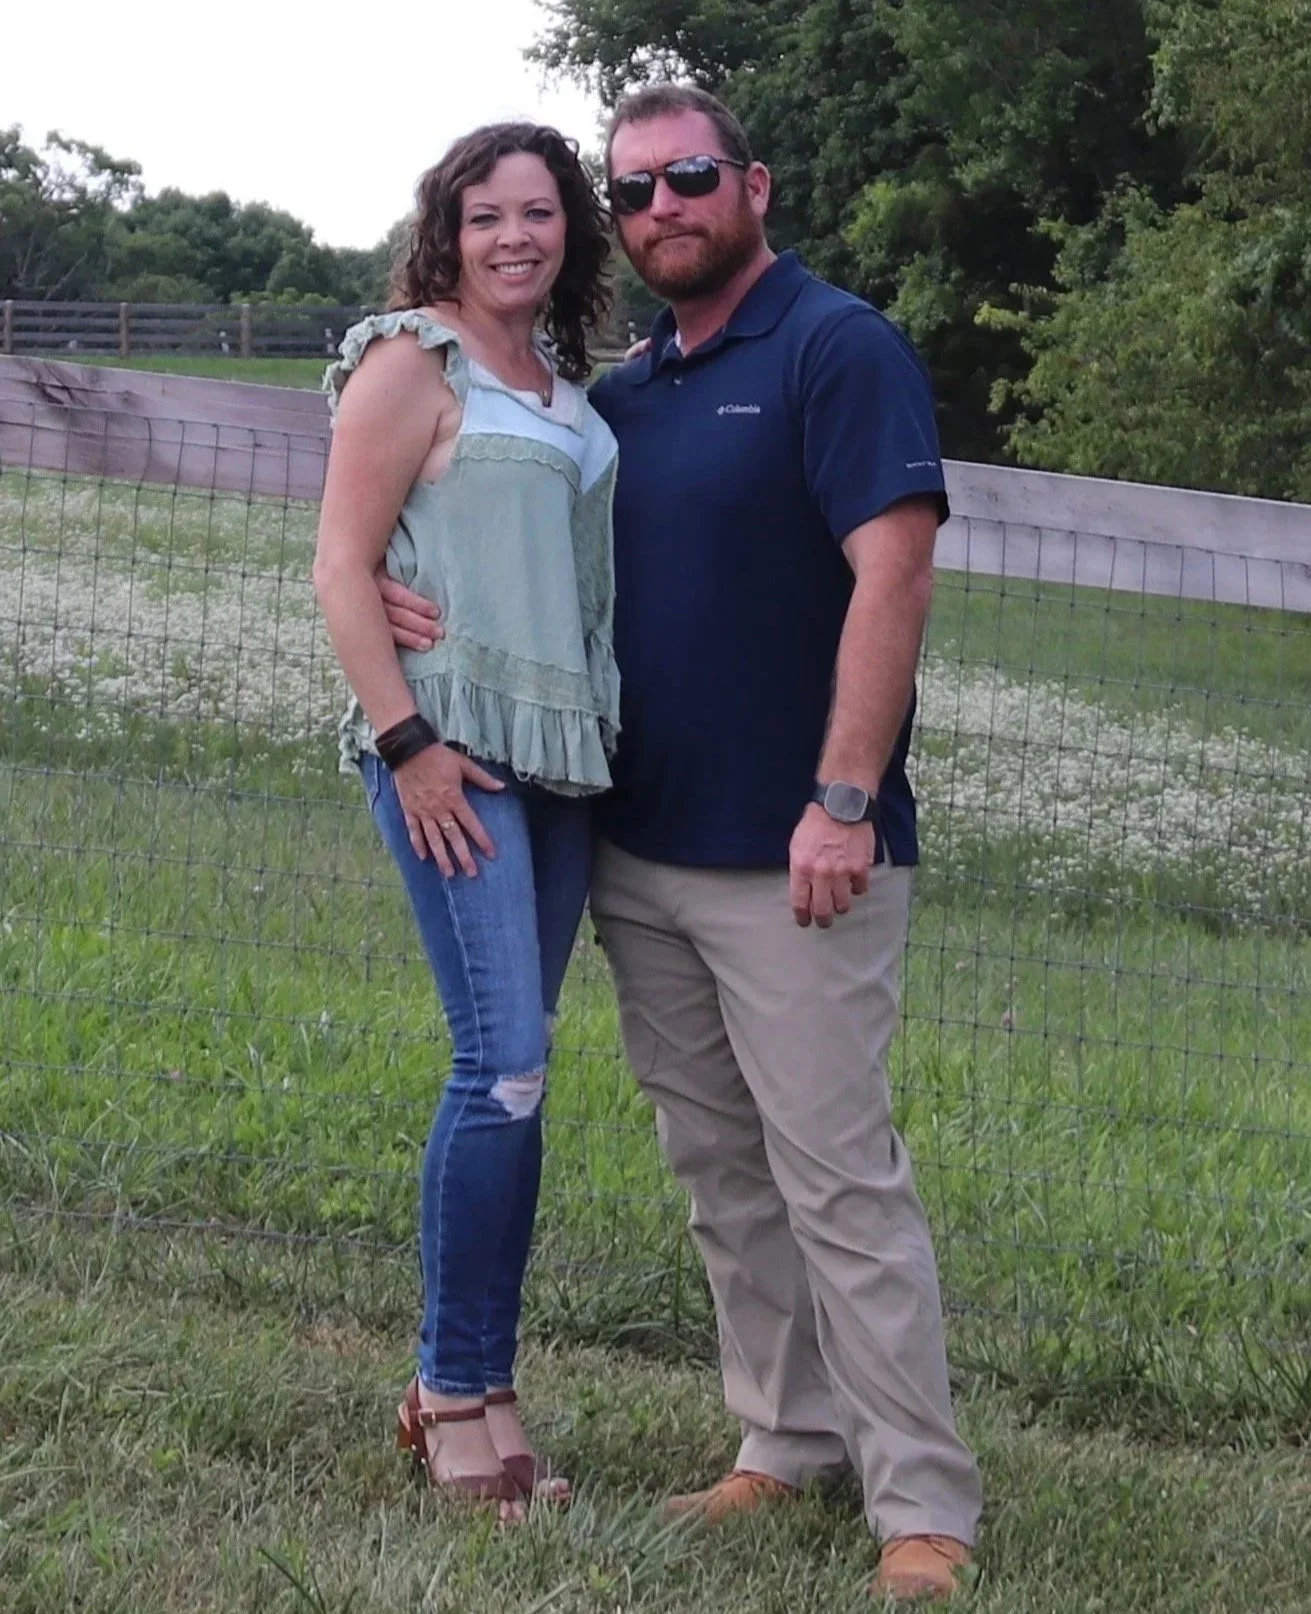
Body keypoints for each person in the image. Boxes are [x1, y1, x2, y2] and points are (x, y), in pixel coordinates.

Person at [378, 86, 983, 1600]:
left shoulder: (837, 349)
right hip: (640, 851)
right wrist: (406, 590)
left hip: (800, 855)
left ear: (752, 185)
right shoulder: (625, 396)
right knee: (720, 1172)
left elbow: (894, 579)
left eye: (689, 177)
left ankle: (922, 1503)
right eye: (634, 190)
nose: (662, 208)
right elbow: (510, 532)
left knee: (838, 1179)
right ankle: (784, 1439)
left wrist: (844, 799)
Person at [312, 122, 619, 1522]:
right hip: (452, 754)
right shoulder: (410, 361)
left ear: (569, 232)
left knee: (523, 1074)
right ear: (449, 226)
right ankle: (448, 1390)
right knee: (498, 1065)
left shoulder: (564, 387)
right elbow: (340, 563)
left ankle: (488, 1390)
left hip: (560, 764)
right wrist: (409, 744)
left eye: (538, 213)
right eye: (486, 213)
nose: (513, 237)